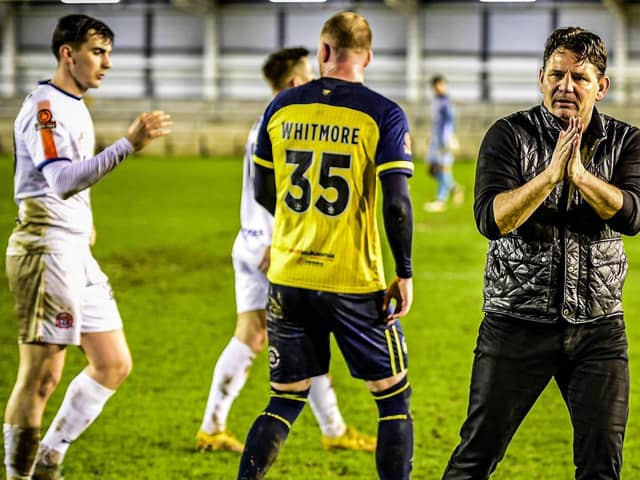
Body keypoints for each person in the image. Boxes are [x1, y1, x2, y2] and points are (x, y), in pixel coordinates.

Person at [442, 27, 640, 480]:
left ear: (601, 86)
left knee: (601, 466)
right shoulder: (508, 136)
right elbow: (492, 220)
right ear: (540, 78)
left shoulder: (626, 142)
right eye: (556, 75)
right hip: (515, 324)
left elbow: (631, 216)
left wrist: (581, 177)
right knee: (475, 457)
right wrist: (550, 176)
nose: (565, 87)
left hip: (599, 331)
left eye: (579, 78)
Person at [237, 11, 415, 480]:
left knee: (284, 398)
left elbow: (261, 191)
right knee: (393, 398)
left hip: (289, 276)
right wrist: (406, 271)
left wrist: (301, 225)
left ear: (323, 52)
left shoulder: (281, 107)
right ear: (368, 58)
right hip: (354, 280)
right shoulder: (383, 113)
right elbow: (396, 204)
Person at [3, 14, 171, 480]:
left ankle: (47, 460)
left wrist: (88, 223)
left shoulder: (73, 104)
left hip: (75, 250)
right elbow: (59, 181)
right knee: (40, 378)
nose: (107, 63)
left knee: (112, 363)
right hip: (46, 250)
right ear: (67, 53)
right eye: (97, 52)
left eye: (108, 53)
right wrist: (129, 144)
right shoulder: (46, 107)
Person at [195, 47, 375, 454]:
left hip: (253, 243)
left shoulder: (267, 121)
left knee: (253, 335)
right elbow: (275, 193)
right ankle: (332, 430)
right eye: (309, 75)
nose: (315, 82)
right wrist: (280, 242)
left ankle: (215, 427)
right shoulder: (283, 123)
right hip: (273, 249)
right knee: (302, 336)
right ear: (295, 82)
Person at [423, 74, 463, 213]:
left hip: (445, 142)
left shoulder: (447, 102)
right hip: (436, 141)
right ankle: (455, 188)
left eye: (441, 84)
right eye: (436, 85)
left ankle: (441, 201)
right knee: (431, 169)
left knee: (443, 169)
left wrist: (449, 138)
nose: (438, 87)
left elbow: (451, 122)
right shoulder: (436, 101)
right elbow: (437, 122)